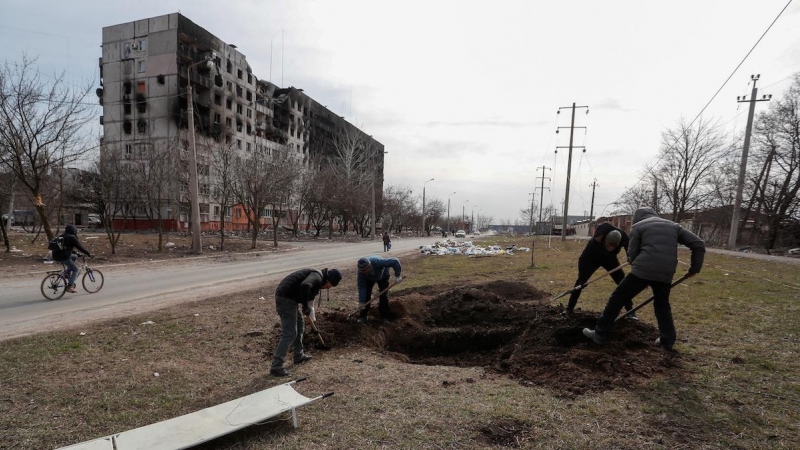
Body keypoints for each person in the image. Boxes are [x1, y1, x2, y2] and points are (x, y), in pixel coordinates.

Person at [583, 207, 705, 351]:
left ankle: (600, 334)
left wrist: (635, 262)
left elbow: (632, 253)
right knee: (662, 305)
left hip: (643, 269)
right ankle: (667, 341)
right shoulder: (674, 226)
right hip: (666, 271)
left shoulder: (638, 226)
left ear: (637, 218)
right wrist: (694, 268)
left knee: (618, 297)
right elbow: (698, 244)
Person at [270, 268, 342, 377]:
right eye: (329, 286)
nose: (327, 288)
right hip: (285, 298)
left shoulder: (317, 282)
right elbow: (305, 285)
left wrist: (310, 316)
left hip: (291, 299)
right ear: (328, 281)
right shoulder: (317, 277)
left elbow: (310, 304)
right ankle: (276, 366)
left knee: (300, 325)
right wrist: (304, 305)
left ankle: (299, 356)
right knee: (290, 333)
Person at [565, 224, 637, 318]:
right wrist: (583, 276)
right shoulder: (599, 236)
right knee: (580, 282)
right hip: (591, 258)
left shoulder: (624, 238)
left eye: (613, 247)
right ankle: (569, 309)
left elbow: (630, 251)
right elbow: (583, 260)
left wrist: (631, 258)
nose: (610, 248)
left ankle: (630, 311)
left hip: (609, 259)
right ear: (604, 239)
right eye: (608, 245)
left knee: (622, 281)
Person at [357, 255, 402, 325]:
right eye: (361, 271)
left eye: (364, 271)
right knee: (366, 295)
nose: (363, 272)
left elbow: (395, 261)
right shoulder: (361, 273)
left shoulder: (378, 262)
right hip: (369, 279)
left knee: (383, 296)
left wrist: (398, 275)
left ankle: (384, 316)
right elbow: (362, 287)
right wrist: (361, 301)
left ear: (369, 267)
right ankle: (363, 316)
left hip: (383, 276)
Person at [52, 224, 93, 293]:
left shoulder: (62, 236)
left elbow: (67, 248)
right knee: (76, 269)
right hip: (64, 257)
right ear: (74, 230)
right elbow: (80, 247)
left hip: (56, 255)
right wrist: (88, 253)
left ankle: (67, 273)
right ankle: (70, 286)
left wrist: (77, 254)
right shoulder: (72, 237)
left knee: (74, 256)